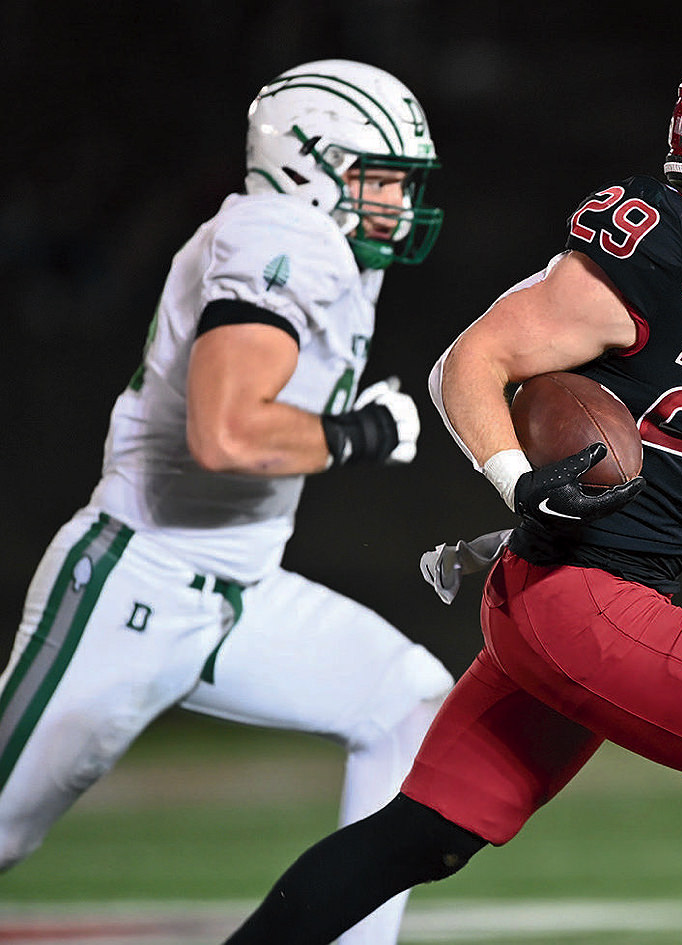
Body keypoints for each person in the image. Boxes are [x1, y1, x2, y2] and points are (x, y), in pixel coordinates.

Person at [221, 46, 682, 945]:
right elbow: (470, 362)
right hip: (578, 593)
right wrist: (516, 480)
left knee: (419, 836)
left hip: (588, 606)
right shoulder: (665, 247)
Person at [0, 60, 455, 945]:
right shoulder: (282, 233)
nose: (398, 204)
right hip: (138, 578)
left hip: (238, 589)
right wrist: (356, 433)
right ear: (308, 164)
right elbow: (225, 434)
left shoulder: (325, 245)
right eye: (382, 179)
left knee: (408, 701)